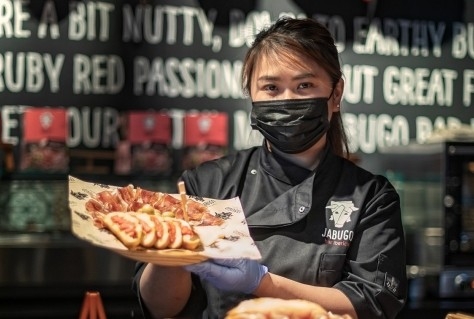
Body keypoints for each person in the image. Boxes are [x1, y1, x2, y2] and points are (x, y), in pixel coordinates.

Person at [132, 17, 407, 319]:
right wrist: (169, 247)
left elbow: (371, 302)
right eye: (271, 88)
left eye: (305, 85)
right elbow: (160, 309)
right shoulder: (205, 185)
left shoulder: (371, 197)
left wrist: (260, 282)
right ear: (251, 95)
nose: (287, 100)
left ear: (336, 94)